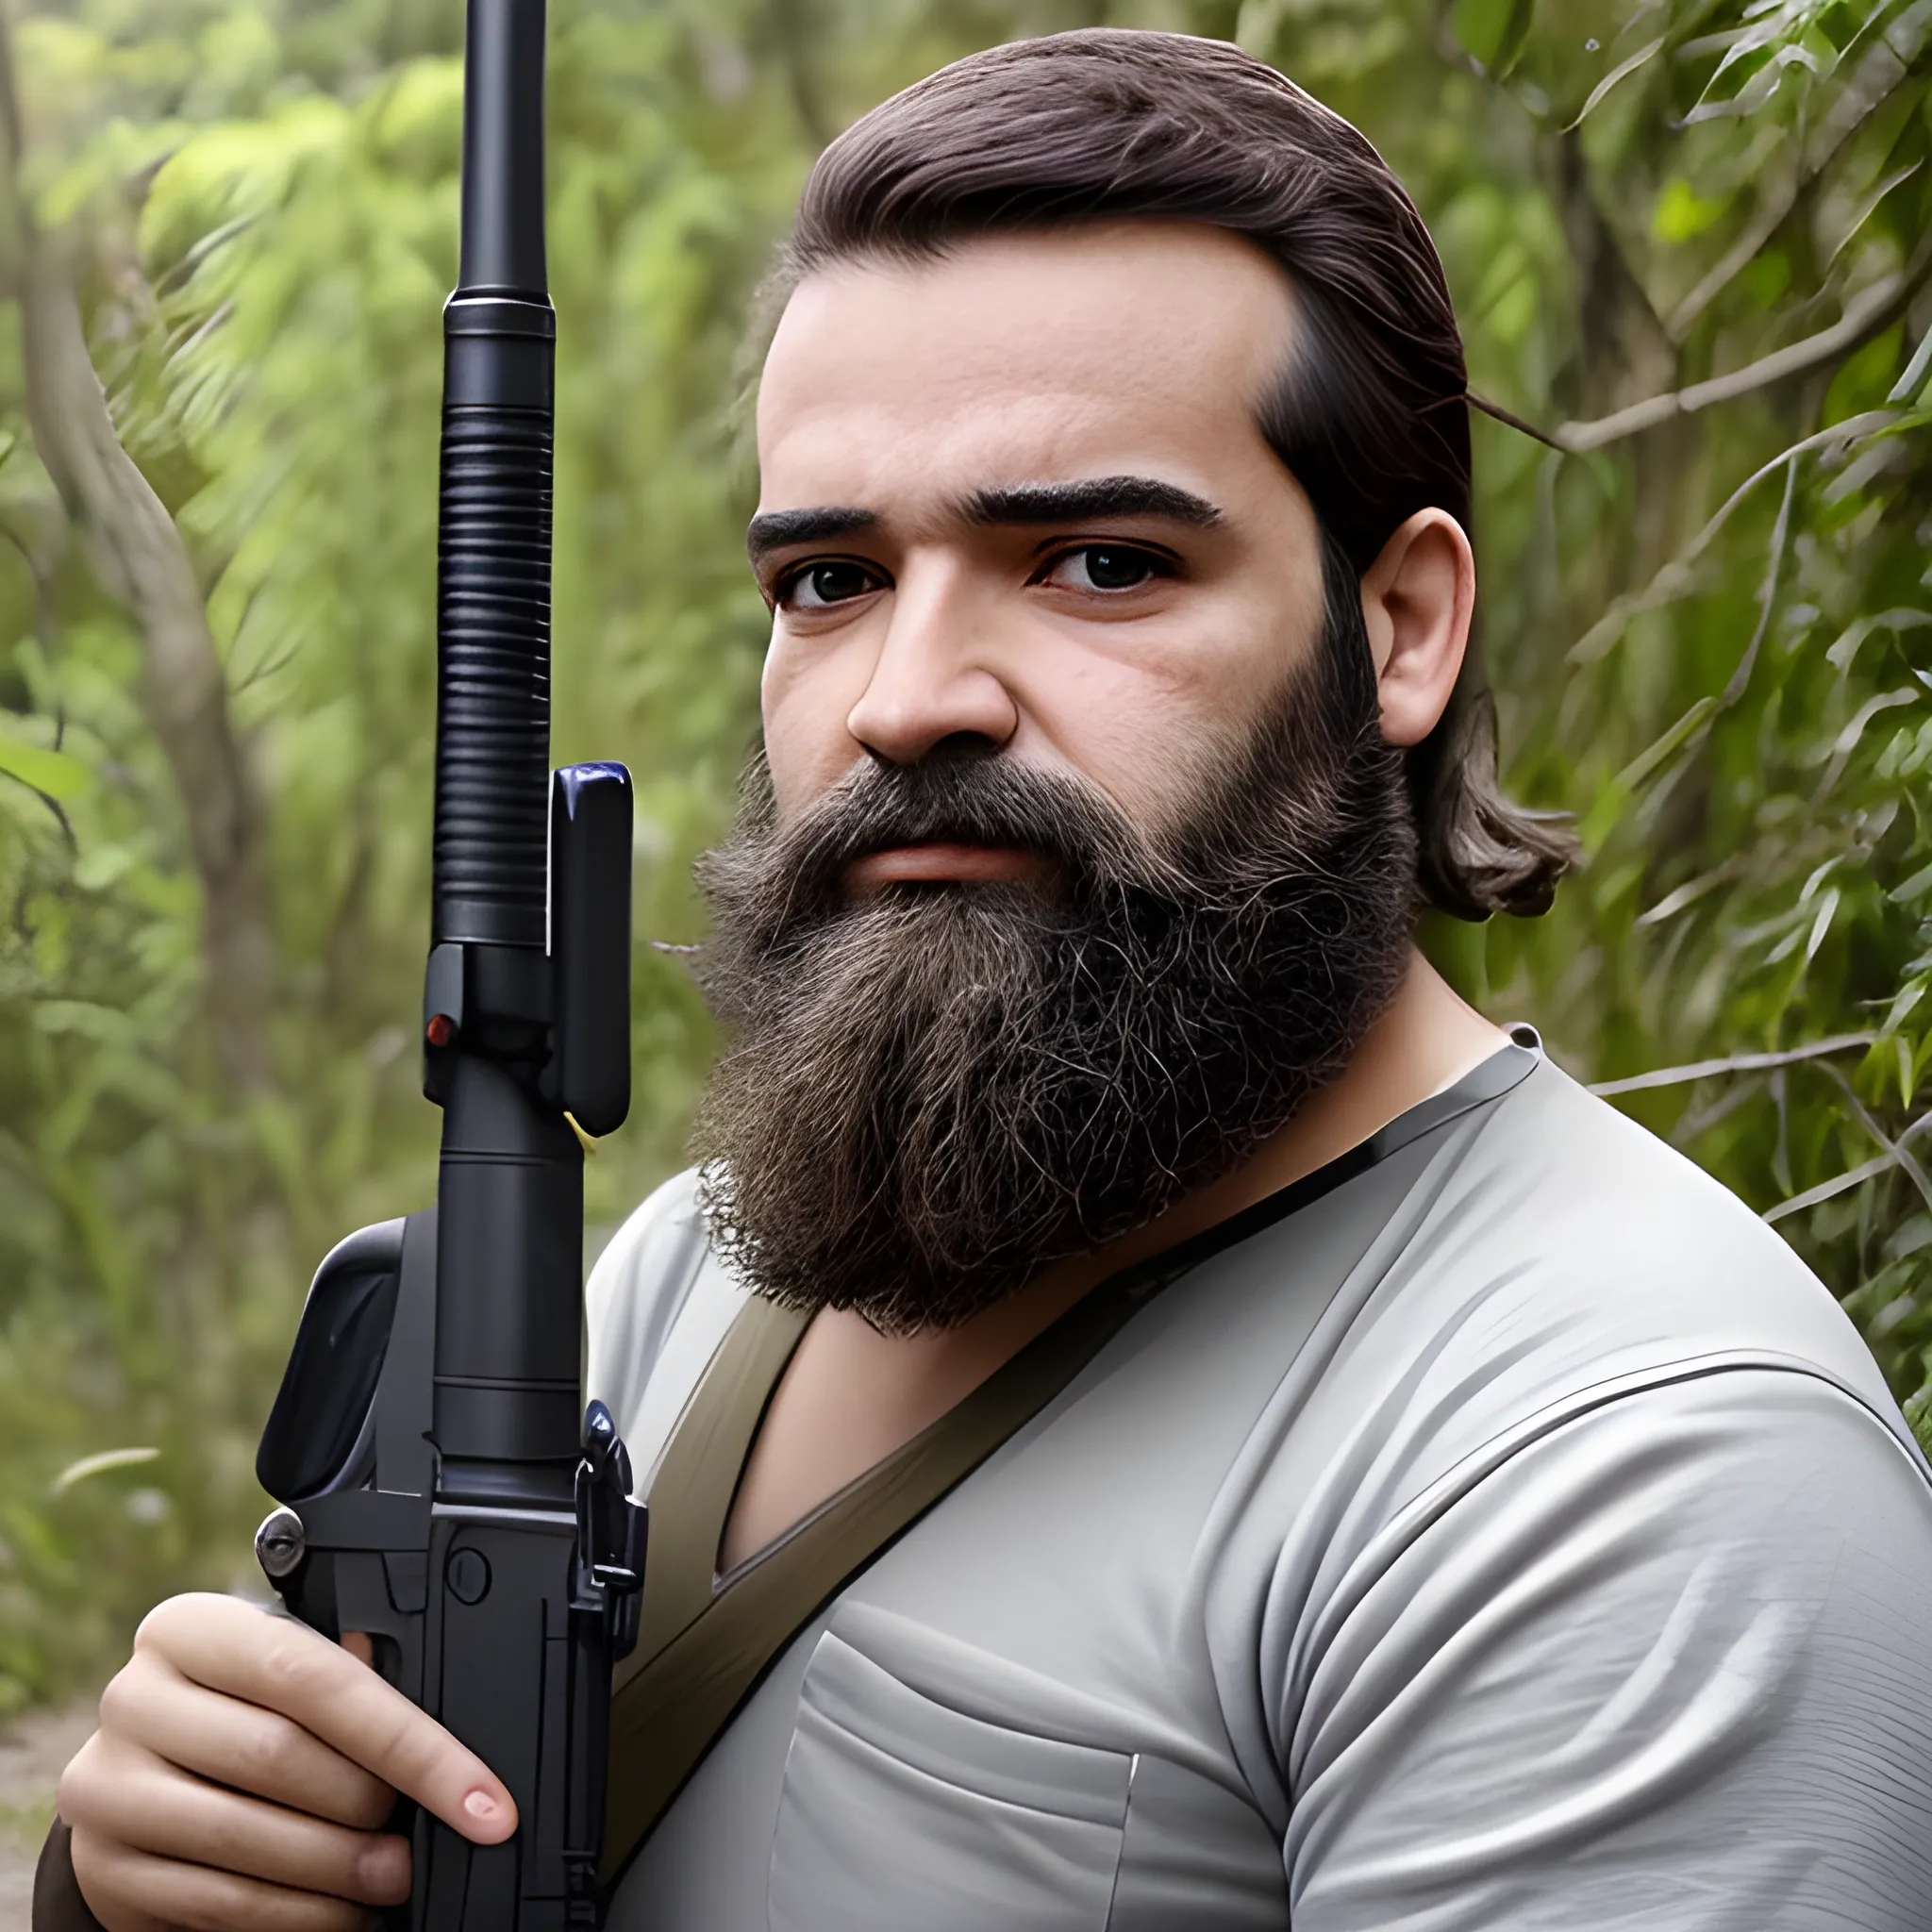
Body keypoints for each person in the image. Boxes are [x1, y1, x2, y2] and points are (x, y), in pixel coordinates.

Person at [39, 27, 1932, 1932]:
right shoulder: (690, 1281)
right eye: (831, 581)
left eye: (1097, 561)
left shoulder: (1616, 1464)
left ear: (1400, 626)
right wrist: (156, 1869)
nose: (906, 695)